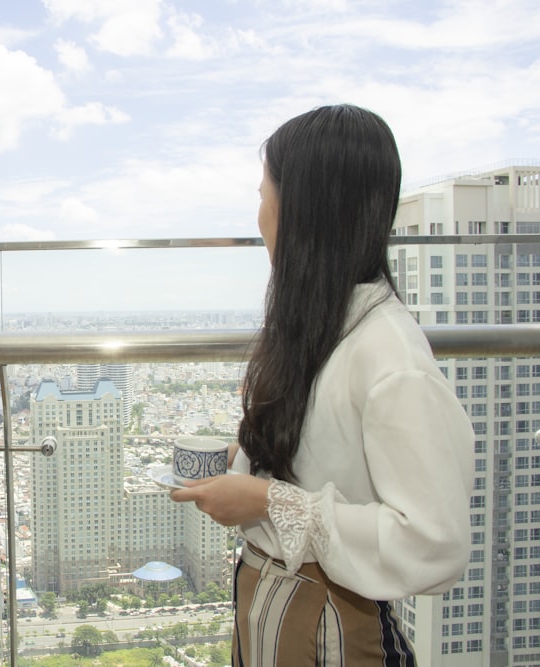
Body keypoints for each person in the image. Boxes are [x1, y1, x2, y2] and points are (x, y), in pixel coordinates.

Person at [170, 104, 473, 665]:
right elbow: (336, 460)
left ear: (302, 212)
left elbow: (434, 543)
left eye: (264, 195)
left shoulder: (389, 357)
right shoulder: (330, 327)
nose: (259, 215)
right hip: (275, 614)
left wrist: (264, 499)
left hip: (328, 633)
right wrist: (249, 456)